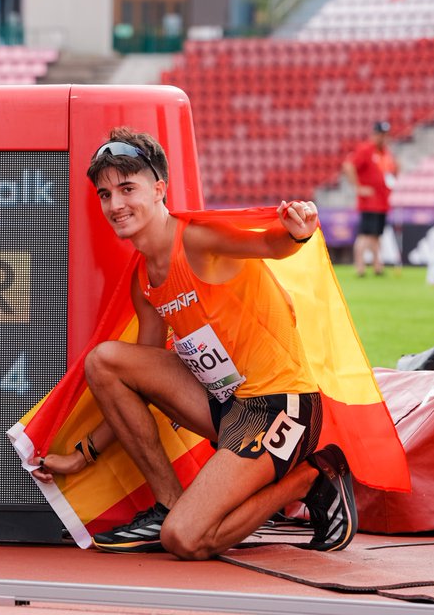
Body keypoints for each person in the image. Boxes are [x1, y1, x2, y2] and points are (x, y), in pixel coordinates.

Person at [31, 127, 356, 560]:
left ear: (159, 189)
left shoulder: (195, 240)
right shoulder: (144, 279)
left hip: (281, 405)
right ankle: (168, 503)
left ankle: (311, 477)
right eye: (105, 195)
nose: (115, 204)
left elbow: (268, 243)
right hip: (227, 408)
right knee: (105, 361)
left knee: (185, 539)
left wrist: (296, 233)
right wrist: (82, 455)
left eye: (127, 189)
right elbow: (135, 383)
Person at [342, 121, 399, 277]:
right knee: (366, 235)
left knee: (376, 235)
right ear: (375, 135)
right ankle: (360, 267)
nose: (384, 138)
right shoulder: (366, 150)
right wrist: (358, 187)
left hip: (382, 201)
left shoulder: (385, 153)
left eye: (386, 135)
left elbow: (390, 173)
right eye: (382, 135)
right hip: (370, 202)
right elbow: (348, 166)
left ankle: (377, 265)